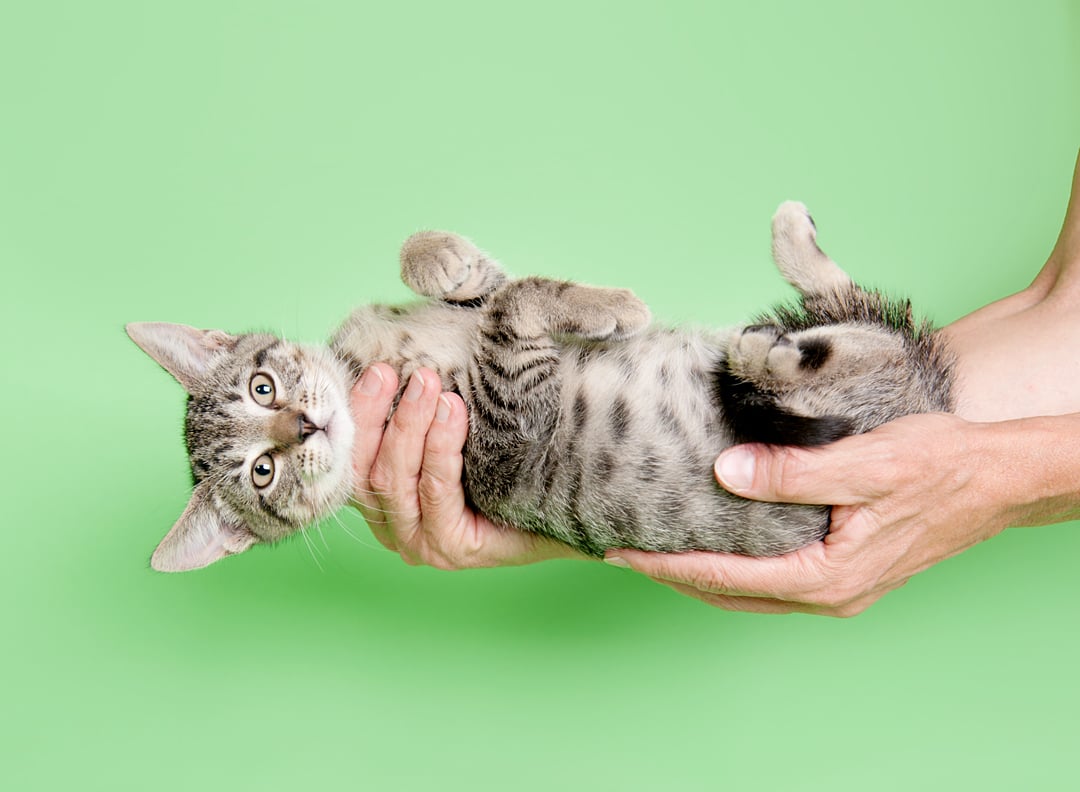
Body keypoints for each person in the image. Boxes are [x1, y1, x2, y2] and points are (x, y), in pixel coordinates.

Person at [350, 150, 1080, 617]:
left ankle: (833, 342)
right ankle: (839, 338)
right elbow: (1065, 313)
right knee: (866, 406)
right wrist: (940, 455)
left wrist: (994, 476)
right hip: (700, 448)